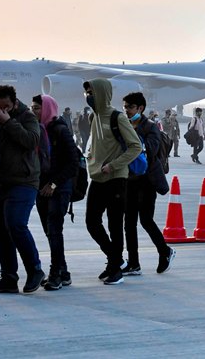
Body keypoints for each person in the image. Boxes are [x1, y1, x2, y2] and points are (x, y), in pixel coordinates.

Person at [0, 85, 45, 294]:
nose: (2, 110)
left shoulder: (26, 117)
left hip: (23, 181)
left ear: (15, 103)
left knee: (16, 224)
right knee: (1, 231)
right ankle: (8, 277)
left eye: (6, 107)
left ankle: (35, 269)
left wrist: (9, 122)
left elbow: (32, 140)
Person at [83, 78, 142, 285]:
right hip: (98, 177)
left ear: (102, 93)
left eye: (92, 93)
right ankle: (115, 260)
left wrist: (114, 165)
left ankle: (115, 269)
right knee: (92, 222)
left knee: (114, 225)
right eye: (87, 93)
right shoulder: (94, 117)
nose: (89, 97)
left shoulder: (118, 117)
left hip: (116, 178)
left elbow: (136, 147)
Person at [121, 92, 176, 275]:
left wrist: (132, 135)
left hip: (147, 181)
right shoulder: (124, 124)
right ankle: (134, 263)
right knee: (129, 222)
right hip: (130, 180)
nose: (126, 110)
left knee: (145, 220)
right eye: (125, 107)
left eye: (130, 107)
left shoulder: (150, 127)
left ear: (140, 108)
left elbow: (151, 150)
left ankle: (165, 251)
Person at [32, 94, 79, 291]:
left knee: (54, 230)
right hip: (42, 188)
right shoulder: (37, 130)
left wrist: (53, 184)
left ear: (47, 109)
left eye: (37, 108)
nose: (34, 111)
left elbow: (73, 163)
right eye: (32, 108)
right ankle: (64, 272)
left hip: (59, 188)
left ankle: (55, 274)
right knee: (49, 232)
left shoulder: (60, 130)